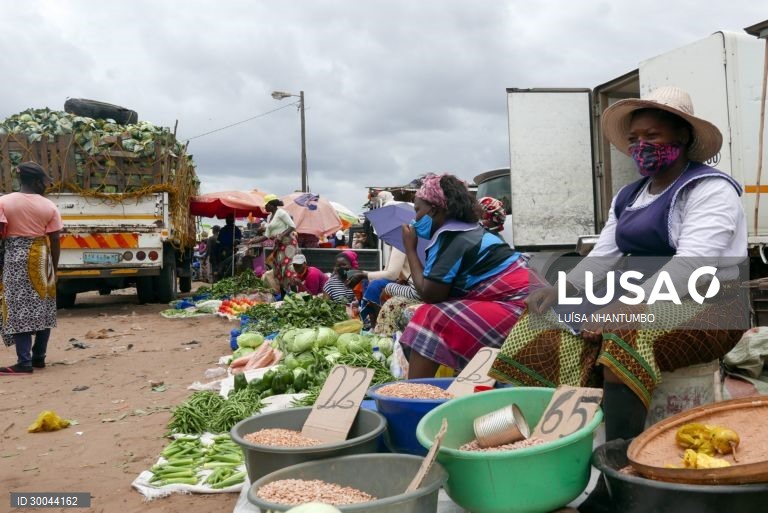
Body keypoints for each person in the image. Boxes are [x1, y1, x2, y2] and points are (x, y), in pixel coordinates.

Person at [490, 86, 748, 449]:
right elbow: (603, 256)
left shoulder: (709, 189)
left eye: (652, 135)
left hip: (713, 307)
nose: (641, 144)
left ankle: (621, 465)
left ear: (683, 136)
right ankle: (553, 441)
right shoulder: (630, 195)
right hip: (645, 296)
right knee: (543, 320)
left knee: (626, 333)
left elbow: (693, 264)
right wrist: (562, 291)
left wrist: (633, 303)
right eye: (634, 138)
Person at [399, 173, 530, 379]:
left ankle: (414, 396)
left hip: (521, 309)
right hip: (520, 304)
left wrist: (410, 249)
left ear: (434, 209)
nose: (414, 218)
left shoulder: (454, 238)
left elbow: (430, 295)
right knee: (417, 315)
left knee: (429, 318)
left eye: (418, 210)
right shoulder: (466, 231)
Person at [0, 162, 62, 375]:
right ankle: (39, 357)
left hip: (15, 258)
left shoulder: (4, 202)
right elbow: (55, 240)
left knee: (19, 308)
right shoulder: (49, 206)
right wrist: (54, 268)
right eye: (44, 182)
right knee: (44, 305)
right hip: (41, 256)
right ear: (36, 182)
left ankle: (23, 362)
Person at [254, 194, 298, 294]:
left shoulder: (281, 213)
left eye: (266, 205)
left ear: (272, 204)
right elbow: (266, 235)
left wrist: (282, 235)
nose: (265, 207)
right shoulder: (269, 217)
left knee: (287, 269)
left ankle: (295, 295)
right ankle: (283, 295)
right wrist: (253, 241)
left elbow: (292, 226)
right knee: (277, 269)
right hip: (279, 245)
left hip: (288, 244)